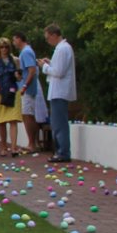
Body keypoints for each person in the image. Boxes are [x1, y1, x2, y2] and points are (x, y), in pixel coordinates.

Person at [41, 24, 75, 163]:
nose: (48, 41)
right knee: (57, 122)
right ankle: (60, 151)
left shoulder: (62, 49)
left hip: (60, 92)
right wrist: (50, 63)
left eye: (48, 38)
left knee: (59, 124)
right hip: (58, 91)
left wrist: (44, 67)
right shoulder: (63, 49)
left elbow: (58, 72)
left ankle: (62, 152)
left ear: (54, 35)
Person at [11, 33, 45, 155]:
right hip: (27, 86)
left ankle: (32, 143)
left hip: (29, 89)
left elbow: (32, 70)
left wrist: (25, 85)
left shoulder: (26, 52)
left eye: (14, 40)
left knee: (28, 115)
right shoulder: (25, 52)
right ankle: (32, 142)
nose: (13, 43)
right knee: (27, 114)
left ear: (19, 39)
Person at [0, 39, 22, 155]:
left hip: (12, 91)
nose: (4, 49)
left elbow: (19, 77)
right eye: (2, 47)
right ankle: (3, 146)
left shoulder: (15, 60)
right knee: (1, 121)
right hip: (0, 92)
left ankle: (13, 147)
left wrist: (18, 76)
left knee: (13, 120)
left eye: (6, 47)